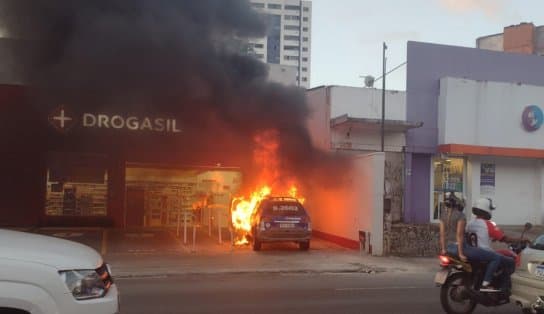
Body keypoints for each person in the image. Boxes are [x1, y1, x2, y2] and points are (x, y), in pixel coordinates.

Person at [439, 192, 503, 292]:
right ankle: (485, 284)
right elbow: (459, 235)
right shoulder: (461, 216)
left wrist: (443, 249)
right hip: (460, 248)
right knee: (496, 257)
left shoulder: (443, 215)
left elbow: (442, 234)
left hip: (448, 248)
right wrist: (460, 253)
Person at [466, 197, 522, 292]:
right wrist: (520, 239)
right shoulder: (488, 224)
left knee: (504, 252)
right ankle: (504, 287)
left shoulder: (470, 223)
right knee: (510, 261)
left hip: (474, 252)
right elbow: (504, 238)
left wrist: (493, 238)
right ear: (486, 209)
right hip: (485, 252)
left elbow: (478, 236)